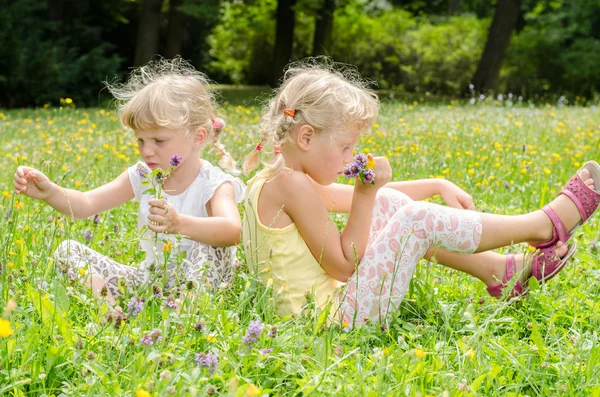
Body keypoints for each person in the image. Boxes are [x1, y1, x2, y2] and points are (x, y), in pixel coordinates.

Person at [241, 60, 600, 328]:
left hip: (324, 313)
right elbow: (345, 265)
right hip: (331, 323)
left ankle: (497, 271)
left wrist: (435, 184)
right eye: (346, 146)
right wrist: (365, 196)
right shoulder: (294, 185)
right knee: (415, 220)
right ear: (306, 137)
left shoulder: (276, 178)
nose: (351, 156)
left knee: (390, 203)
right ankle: (541, 225)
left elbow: (370, 199)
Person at [13, 58, 245, 304]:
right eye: (140, 140)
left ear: (198, 137)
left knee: (209, 246)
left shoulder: (215, 184)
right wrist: (50, 192)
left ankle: (179, 321)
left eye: (159, 141)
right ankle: (111, 315)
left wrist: (180, 224)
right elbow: (86, 203)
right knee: (67, 251)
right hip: (150, 283)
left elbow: (232, 231)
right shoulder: (142, 175)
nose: (146, 151)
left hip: (198, 284)